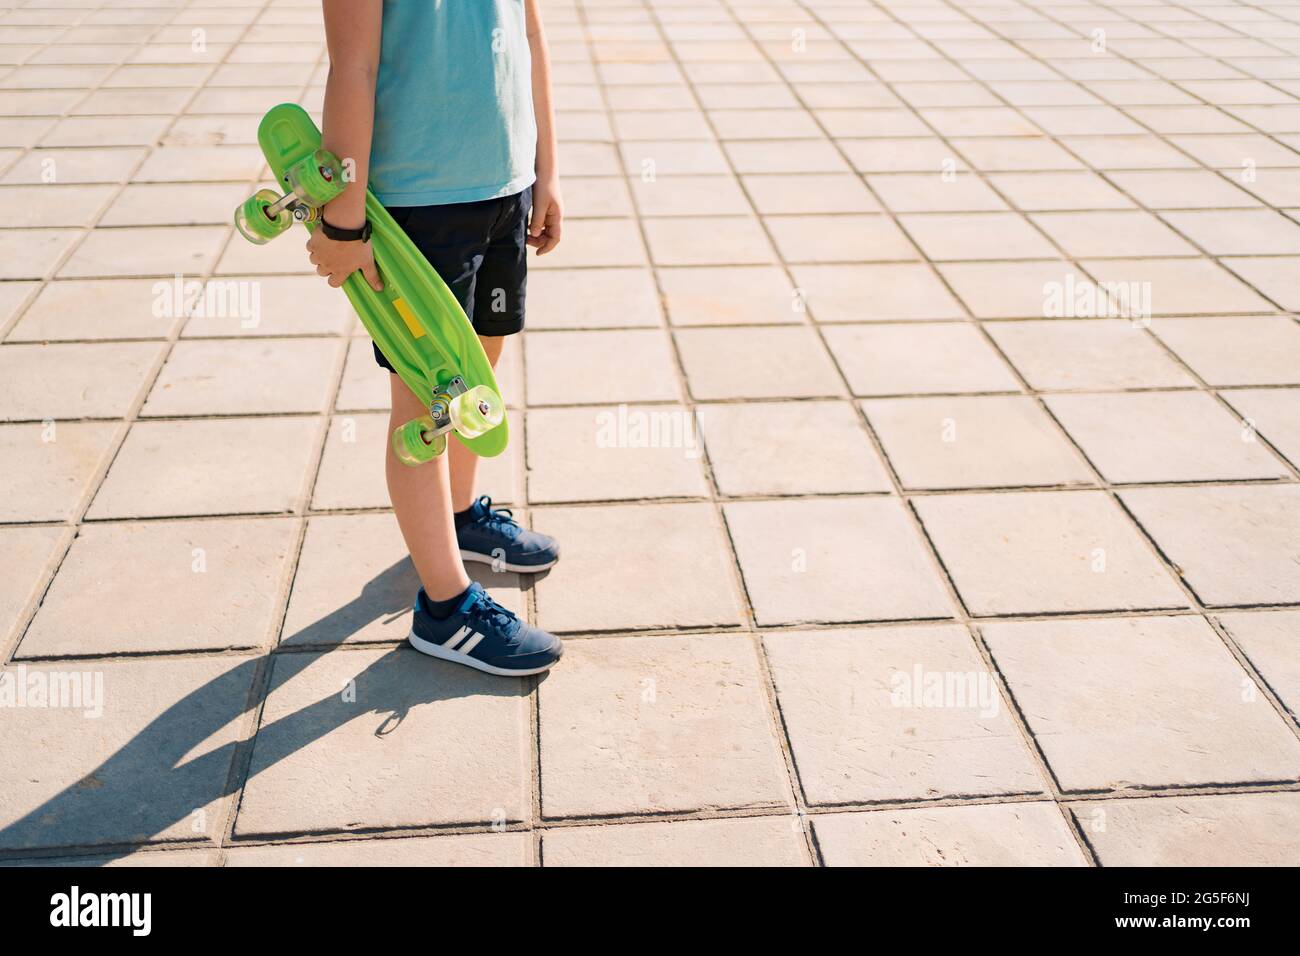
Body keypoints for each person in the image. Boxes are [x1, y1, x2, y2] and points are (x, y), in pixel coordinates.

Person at [306, 0, 564, 676]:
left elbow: (531, 35)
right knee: (424, 404)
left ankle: (458, 514)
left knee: (480, 369)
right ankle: (445, 609)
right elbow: (353, 68)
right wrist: (342, 221)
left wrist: (546, 171)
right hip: (420, 208)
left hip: (504, 189)